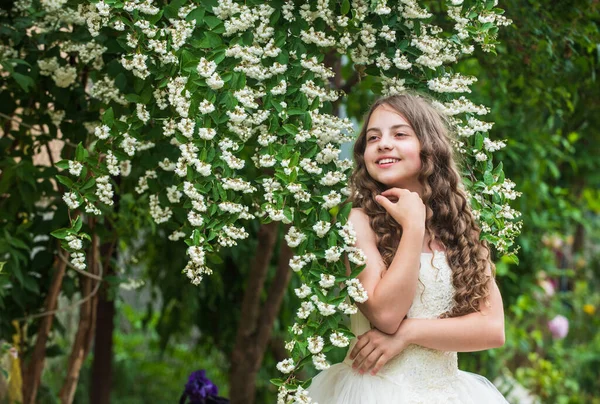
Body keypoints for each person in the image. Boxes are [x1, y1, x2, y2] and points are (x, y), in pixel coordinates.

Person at [307, 93, 509, 403]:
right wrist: (414, 226)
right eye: (373, 138)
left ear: (429, 147)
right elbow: (386, 315)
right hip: (373, 391)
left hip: (447, 393)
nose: (383, 143)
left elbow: (492, 328)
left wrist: (408, 333)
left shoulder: (461, 226)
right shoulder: (359, 222)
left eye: (399, 134)